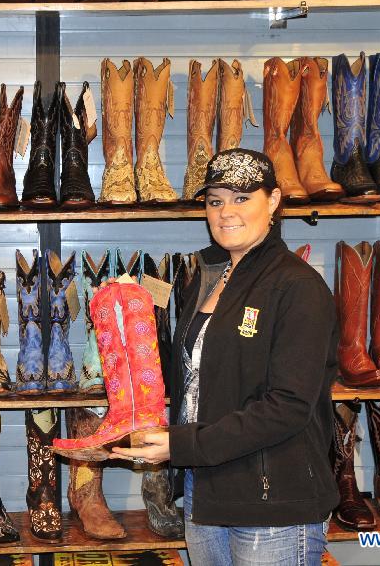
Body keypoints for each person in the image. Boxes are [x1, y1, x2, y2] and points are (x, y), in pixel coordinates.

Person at [111, 148, 340, 566]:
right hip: (207, 485)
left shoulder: (298, 287)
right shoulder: (208, 276)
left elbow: (287, 407)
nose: (225, 212)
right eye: (215, 200)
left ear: (273, 201)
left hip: (272, 499)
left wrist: (180, 445)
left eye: (241, 197)